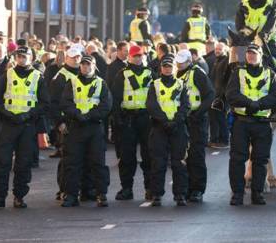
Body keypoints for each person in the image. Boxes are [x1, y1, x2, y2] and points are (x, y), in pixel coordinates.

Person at [0, 47, 47, 208]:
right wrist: (5, 113)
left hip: (27, 125)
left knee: (23, 163)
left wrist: (28, 115)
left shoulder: (38, 77)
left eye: (25, 56)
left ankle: (19, 196)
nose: (21, 59)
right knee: (3, 162)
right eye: (19, 56)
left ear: (31, 58)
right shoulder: (7, 75)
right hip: (8, 124)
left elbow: (44, 103)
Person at [225, 44, 276, 205]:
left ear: (261, 55)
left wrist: (259, 104)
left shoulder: (270, 73)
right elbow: (231, 94)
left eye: (254, 53)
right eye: (249, 53)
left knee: (260, 159)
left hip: (262, 123)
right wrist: (249, 103)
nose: (251, 56)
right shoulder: (238, 72)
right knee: (237, 159)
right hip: (241, 122)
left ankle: (257, 193)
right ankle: (237, 193)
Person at [60, 55, 111, 208]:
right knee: (72, 163)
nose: (85, 67)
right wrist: (77, 115)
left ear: (94, 66)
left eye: (88, 64)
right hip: (76, 126)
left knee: (98, 163)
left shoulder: (101, 84)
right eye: (83, 64)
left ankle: (101, 194)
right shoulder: (72, 83)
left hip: (94, 127)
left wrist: (89, 116)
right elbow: (65, 103)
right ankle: (71, 195)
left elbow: (106, 106)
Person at [111, 45, 156, 201]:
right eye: (135, 56)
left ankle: (150, 188)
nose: (138, 58)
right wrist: (117, 120)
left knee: (148, 155)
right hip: (128, 119)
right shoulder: (122, 74)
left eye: (140, 55)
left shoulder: (151, 74)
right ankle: (127, 188)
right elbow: (115, 99)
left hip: (146, 119)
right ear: (129, 57)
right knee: (127, 157)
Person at [145, 55, 190, 206]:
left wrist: (175, 120)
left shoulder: (181, 84)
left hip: (177, 127)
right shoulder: (155, 85)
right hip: (159, 127)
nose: (167, 69)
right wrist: (164, 120)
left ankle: (180, 194)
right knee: (158, 163)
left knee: (179, 163)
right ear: (161, 68)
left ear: (174, 68)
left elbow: (186, 106)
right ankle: (157, 194)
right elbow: (151, 105)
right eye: (165, 66)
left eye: (170, 66)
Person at [173, 50, 214, 203]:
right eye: (178, 61)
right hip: (181, 121)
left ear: (190, 60)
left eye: (182, 61)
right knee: (182, 157)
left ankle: (197, 189)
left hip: (196, 120)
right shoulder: (175, 74)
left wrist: (198, 113)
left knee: (196, 156)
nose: (179, 64)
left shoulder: (198, 73)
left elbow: (210, 95)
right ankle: (185, 188)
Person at [49, 44, 83, 199]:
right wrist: (59, 123)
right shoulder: (61, 76)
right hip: (67, 123)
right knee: (67, 159)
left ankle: (80, 188)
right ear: (66, 58)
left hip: (83, 122)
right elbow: (53, 102)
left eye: (78, 57)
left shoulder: (86, 72)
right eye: (73, 57)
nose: (76, 60)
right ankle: (63, 189)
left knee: (83, 158)